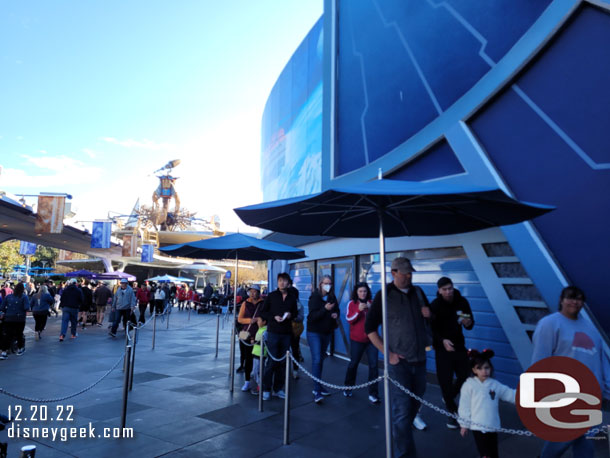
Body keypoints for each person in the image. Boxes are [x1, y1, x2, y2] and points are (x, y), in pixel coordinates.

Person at [531, 286, 610, 458]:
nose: (575, 301)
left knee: (586, 442)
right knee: (564, 437)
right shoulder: (549, 324)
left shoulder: (589, 328)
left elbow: (601, 360)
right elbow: (540, 359)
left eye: (579, 298)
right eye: (571, 297)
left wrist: (606, 389)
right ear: (561, 299)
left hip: (592, 395)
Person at [365, 257, 431, 458]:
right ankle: (406, 454)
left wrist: (428, 315)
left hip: (420, 360)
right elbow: (370, 329)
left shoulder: (418, 292)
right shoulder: (383, 295)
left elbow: (429, 322)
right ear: (393, 273)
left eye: (410, 272)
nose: (408, 276)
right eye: (404, 273)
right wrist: (388, 353)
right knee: (402, 412)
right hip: (398, 363)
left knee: (413, 407)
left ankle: (404, 440)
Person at [429, 276, 475, 429]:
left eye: (450, 288)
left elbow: (469, 322)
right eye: (444, 290)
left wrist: (468, 323)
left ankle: (449, 396)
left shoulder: (461, 302)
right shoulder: (435, 305)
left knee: (465, 374)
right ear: (439, 291)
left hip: (458, 345)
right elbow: (431, 329)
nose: (448, 292)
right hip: (442, 348)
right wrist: (442, 341)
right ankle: (452, 414)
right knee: (445, 381)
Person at [458, 349, 515, 458]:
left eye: (486, 368)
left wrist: (527, 396)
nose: (484, 371)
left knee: (493, 452)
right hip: (478, 427)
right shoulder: (469, 385)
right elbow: (464, 406)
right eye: (479, 368)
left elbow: (510, 394)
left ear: (491, 369)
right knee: (485, 454)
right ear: (474, 370)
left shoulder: (495, 385)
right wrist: (464, 425)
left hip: (492, 426)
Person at [260, 272, 298, 400]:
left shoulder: (292, 298)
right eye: (280, 280)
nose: (282, 282)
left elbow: (295, 313)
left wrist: (289, 315)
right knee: (270, 362)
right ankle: (266, 389)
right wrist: (273, 317)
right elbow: (263, 312)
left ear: (288, 282)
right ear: (277, 282)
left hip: (286, 333)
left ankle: (278, 388)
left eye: (284, 280)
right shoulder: (271, 296)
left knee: (282, 362)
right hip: (273, 332)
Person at [343, 281, 380, 403]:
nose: (363, 293)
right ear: (356, 293)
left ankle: (373, 393)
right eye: (360, 291)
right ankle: (348, 387)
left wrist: (372, 309)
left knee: (374, 366)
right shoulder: (351, 303)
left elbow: (379, 319)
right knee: (353, 364)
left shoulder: (372, 303)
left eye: (364, 291)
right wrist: (358, 310)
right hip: (357, 340)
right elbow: (349, 319)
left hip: (372, 340)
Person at [306, 275, 340, 403]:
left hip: (327, 332)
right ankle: (317, 390)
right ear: (320, 284)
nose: (328, 285)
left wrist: (336, 314)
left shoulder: (332, 297)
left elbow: (337, 309)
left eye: (330, 283)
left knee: (321, 359)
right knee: (317, 359)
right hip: (314, 332)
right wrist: (324, 309)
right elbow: (312, 316)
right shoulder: (314, 297)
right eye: (326, 283)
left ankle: (319, 385)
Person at [237, 284, 264, 392]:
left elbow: (265, 318)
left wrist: (259, 319)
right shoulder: (245, 303)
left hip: (258, 334)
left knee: (258, 359)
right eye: (251, 291)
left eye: (255, 291)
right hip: (246, 333)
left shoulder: (263, 303)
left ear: (259, 292)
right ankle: (247, 381)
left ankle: (259, 382)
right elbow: (240, 319)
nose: (253, 294)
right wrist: (250, 320)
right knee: (247, 358)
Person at [0, 283, 30, 358]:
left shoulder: (8, 297)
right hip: (20, 318)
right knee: (19, 333)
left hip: (9, 318)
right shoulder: (24, 297)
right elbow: (27, 308)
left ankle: (4, 352)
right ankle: (20, 348)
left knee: (7, 335)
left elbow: (2, 307)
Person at [290, 286, 305, 379]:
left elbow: (301, 317)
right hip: (285, 331)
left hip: (295, 331)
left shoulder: (299, 305)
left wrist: (292, 317)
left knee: (295, 350)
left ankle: (295, 370)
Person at [250, 316, 268, 395]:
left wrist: (255, 342)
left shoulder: (265, 330)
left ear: (264, 322)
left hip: (261, 354)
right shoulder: (260, 329)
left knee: (258, 371)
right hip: (256, 354)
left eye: (259, 321)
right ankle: (259, 386)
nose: (257, 322)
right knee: (255, 371)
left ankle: (260, 387)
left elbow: (265, 343)